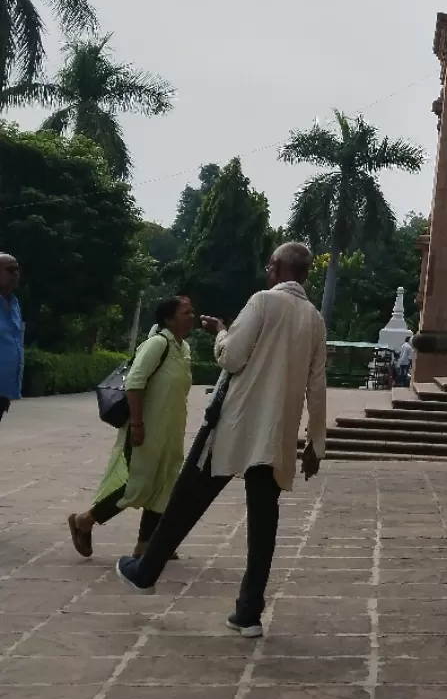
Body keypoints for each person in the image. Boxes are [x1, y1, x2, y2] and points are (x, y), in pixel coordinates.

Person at [116, 242, 327, 638]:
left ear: (279, 268)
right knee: (264, 523)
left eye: (270, 266)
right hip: (275, 436)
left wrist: (221, 332)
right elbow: (317, 384)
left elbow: (231, 358)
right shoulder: (314, 318)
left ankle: (145, 572)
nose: (267, 271)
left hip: (232, 425)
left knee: (186, 500)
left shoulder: (263, 301)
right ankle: (248, 613)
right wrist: (316, 443)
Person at [68, 296, 194, 559]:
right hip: (145, 429)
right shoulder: (157, 344)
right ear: (169, 319)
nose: (191, 316)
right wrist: (136, 423)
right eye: (186, 312)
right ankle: (84, 521)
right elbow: (134, 384)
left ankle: (146, 544)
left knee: (163, 484)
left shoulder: (184, 349)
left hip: (169, 432)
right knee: (134, 485)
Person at [0, 253, 23, 425]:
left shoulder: (14, 303)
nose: (16, 274)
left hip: (4, 389)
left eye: (18, 269)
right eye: (11, 269)